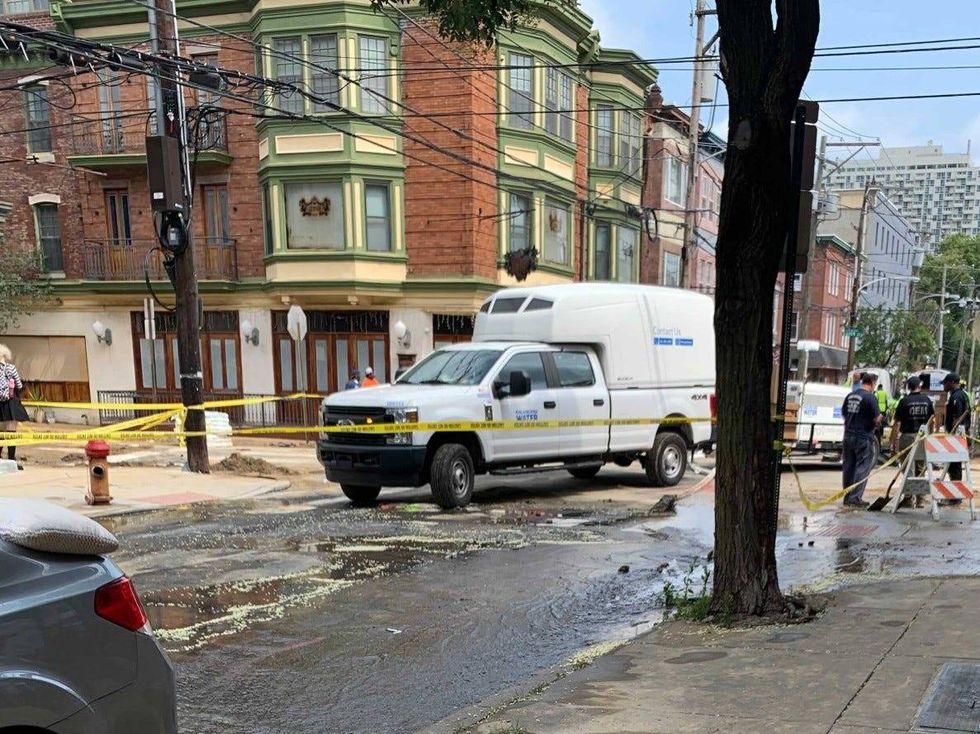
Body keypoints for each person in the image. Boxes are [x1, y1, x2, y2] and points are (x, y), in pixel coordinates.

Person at [890, 375, 935, 507]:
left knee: (907, 467)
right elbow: (932, 420)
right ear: (919, 386)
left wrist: (892, 442)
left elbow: (897, 424)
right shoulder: (927, 401)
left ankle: (909, 498)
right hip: (922, 437)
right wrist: (930, 435)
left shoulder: (904, 402)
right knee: (920, 468)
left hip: (907, 437)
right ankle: (920, 499)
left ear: (908, 387)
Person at [841, 372, 883, 508]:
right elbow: (877, 420)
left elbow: (844, 414)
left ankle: (847, 496)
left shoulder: (850, 395)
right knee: (862, 467)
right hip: (863, 437)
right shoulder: (870, 398)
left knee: (849, 467)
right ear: (871, 382)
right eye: (874, 384)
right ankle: (855, 498)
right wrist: (881, 419)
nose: (874, 387)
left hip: (848, 435)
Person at [0, 344, 28, 470]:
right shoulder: (11, 368)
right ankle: (11, 459)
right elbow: (19, 385)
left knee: (0, 433)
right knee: (11, 433)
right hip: (10, 404)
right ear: (5, 356)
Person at [941, 373, 972, 485]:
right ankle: (954, 493)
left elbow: (957, 417)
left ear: (952, 383)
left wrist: (951, 435)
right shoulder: (962, 395)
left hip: (956, 435)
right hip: (959, 435)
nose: (943, 386)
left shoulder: (957, 396)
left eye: (945, 383)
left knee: (954, 466)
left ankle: (955, 495)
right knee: (954, 465)